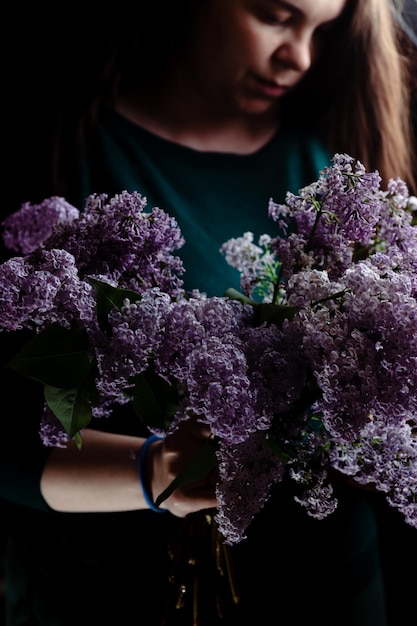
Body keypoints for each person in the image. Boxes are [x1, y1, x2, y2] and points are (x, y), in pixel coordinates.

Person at [1, 1, 416, 625]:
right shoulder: (63, 154)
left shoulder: (342, 152)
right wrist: (152, 471)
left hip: (329, 590)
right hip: (114, 596)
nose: (299, 57)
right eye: (276, 16)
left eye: (322, 32)